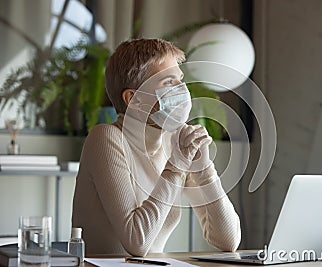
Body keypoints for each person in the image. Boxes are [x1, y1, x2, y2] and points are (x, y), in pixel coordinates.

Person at [71, 38, 241, 256]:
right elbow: (136, 243)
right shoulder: (105, 138)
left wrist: (204, 168)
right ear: (134, 99)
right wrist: (176, 166)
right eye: (168, 82)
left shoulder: (174, 145)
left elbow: (229, 240)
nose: (183, 90)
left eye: (180, 80)